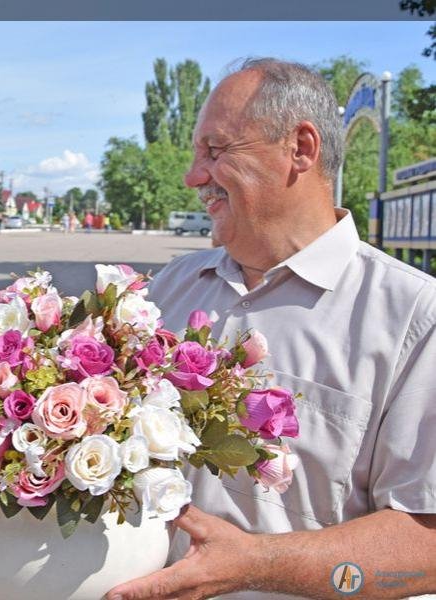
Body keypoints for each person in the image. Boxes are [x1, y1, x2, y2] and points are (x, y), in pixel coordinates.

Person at [107, 58, 436, 599]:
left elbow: (425, 544)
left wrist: (256, 566)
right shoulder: (167, 289)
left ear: (300, 149)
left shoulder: (413, 319)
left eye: (214, 151)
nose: (193, 177)